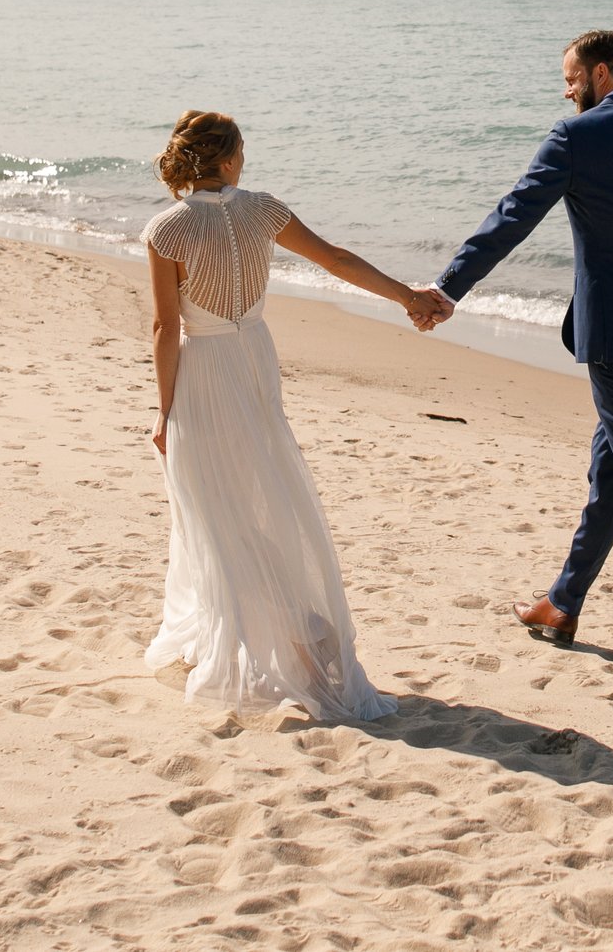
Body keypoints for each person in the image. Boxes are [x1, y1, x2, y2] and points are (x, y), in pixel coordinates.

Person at [417, 30, 613, 682]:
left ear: (599, 72)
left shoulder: (576, 139)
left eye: (570, 79)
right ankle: (562, 605)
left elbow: (512, 216)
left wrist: (446, 288)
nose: (566, 91)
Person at [140, 109, 436, 722]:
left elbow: (167, 327)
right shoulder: (265, 209)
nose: (245, 158)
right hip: (253, 358)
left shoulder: (166, 229)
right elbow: (335, 259)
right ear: (226, 159)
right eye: (242, 149)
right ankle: (290, 627)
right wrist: (407, 296)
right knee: (264, 490)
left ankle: (286, 630)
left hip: (205, 368)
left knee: (214, 506)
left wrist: (164, 412)